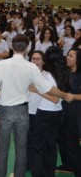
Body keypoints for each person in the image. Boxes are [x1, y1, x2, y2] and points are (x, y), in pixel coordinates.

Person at [0, 34, 72, 177]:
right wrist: (65, 95)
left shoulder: (2, 64)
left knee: (2, 150)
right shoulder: (31, 68)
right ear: (27, 49)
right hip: (23, 112)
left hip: (5, 111)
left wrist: (3, 88)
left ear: (12, 47)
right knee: (22, 149)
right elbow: (48, 88)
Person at [28, 47, 69, 177]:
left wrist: (38, 90)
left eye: (39, 58)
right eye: (33, 58)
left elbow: (55, 99)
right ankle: (47, 173)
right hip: (49, 113)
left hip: (45, 113)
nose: (35, 61)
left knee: (39, 146)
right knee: (48, 145)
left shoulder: (48, 76)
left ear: (45, 61)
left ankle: (39, 173)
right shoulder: (56, 74)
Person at [56, 48, 81, 176]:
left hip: (75, 114)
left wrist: (74, 96)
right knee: (62, 140)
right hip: (63, 112)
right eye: (67, 55)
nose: (67, 57)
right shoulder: (64, 73)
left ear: (77, 60)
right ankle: (68, 164)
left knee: (72, 142)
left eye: (70, 56)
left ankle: (78, 169)